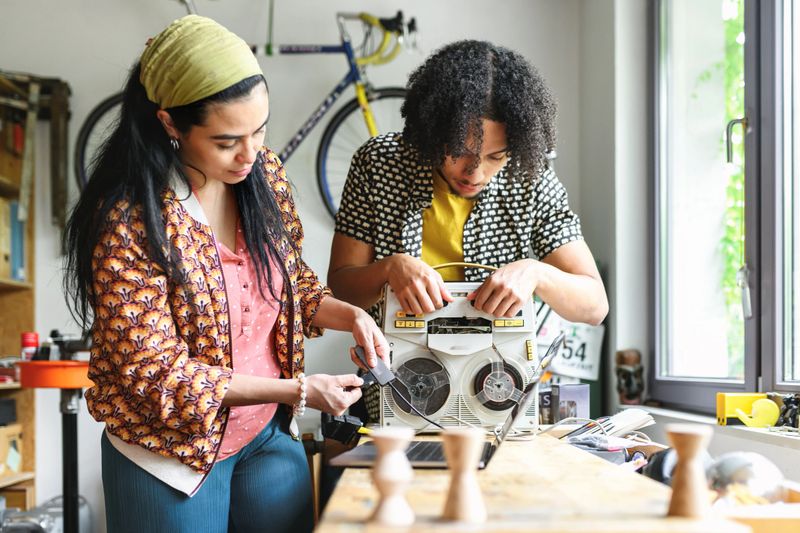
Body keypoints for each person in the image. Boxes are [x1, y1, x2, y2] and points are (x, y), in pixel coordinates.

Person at [63, 15, 387, 533]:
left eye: (260, 130)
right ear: (171, 124)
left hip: (264, 436)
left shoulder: (263, 175)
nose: (249, 153)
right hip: (169, 455)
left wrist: (353, 317)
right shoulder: (129, 216)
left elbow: (290, 285)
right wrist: (297, 390)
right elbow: (156, 372)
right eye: (226, 141)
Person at [328, 40, 608, 328]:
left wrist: (536, 273)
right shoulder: (379, 164)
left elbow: (595, 306)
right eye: (460, 153)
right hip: (395, 365)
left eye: (496, 156)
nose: (474, 174)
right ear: (434, 133)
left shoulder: (530, 177)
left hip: (497, 369)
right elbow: (340, 291)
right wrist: (388, 269)